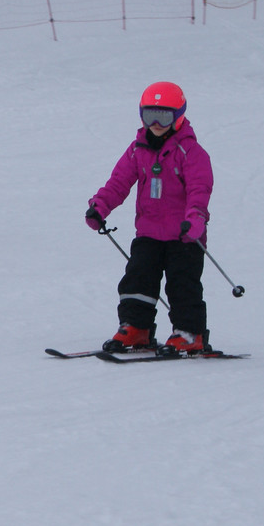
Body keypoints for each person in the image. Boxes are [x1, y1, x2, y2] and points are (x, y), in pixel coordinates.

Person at [84, 82, 214, 356]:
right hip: (148, 234)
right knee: (137, 279)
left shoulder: (191, 153)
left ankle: (189, 332)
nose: (156, 123)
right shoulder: (137, 150)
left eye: (164, 116)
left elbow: (199, 190)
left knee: (182, 284)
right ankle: (136, 327)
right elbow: (118, 182)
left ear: (179, 116)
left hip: (184, 236)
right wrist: (100, 206)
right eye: (149, 115)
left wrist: (195, 219)